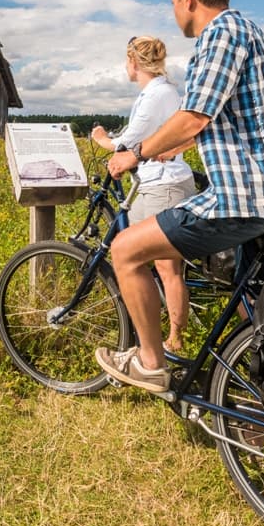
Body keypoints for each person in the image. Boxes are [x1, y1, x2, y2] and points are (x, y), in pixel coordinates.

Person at [94, 0, 264, 393]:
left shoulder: (220, 33)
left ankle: (150, 363)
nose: (174, 13)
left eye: (173, 3)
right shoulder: (249, 32)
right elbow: (225, 122)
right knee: (254, 299)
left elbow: (195, 116)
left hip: (249, 198)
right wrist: (173, 148)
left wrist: (135, 154)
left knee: (125, 249)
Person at [90, 36, 198, 352]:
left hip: (161, 187)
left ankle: (162, 342)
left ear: (134, 62)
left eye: (127, 61)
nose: (126, 67)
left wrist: (101, 139)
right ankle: (167, 332)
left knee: (156, 263)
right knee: (160, 262)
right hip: (170, 181)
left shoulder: (154, 95)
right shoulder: (166, 91)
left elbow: (128, 141)